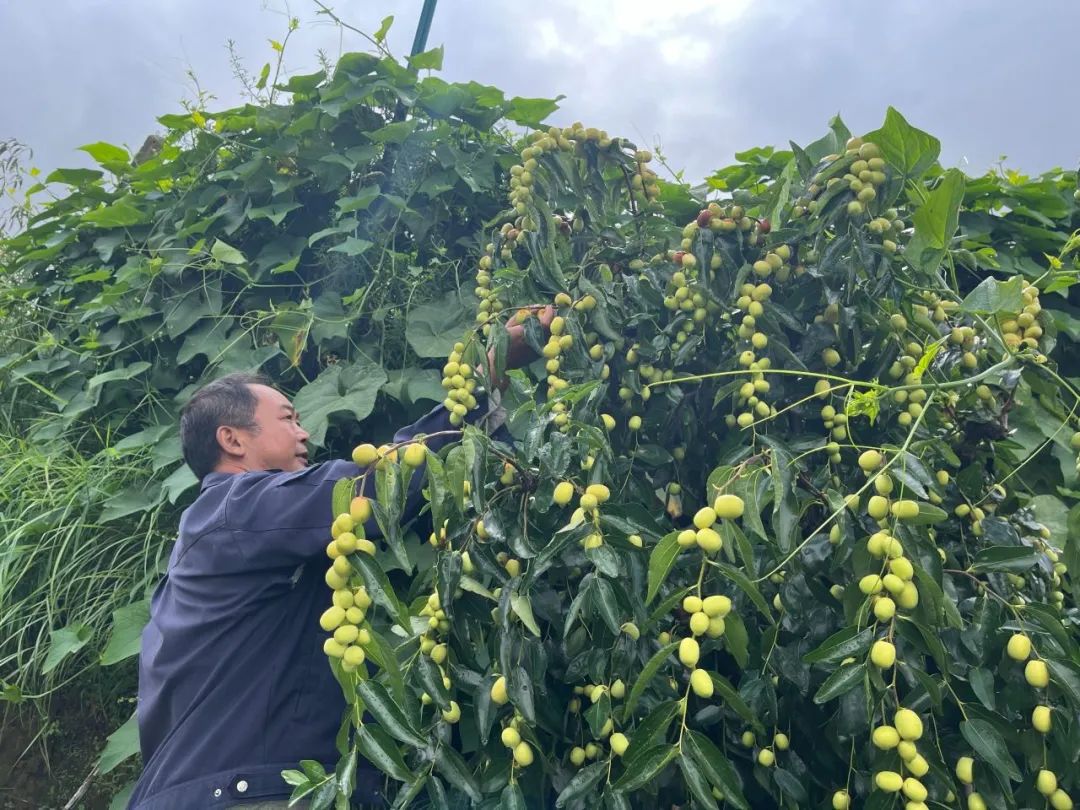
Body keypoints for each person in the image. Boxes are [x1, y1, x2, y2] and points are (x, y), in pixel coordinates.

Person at [129, 308, 553, 810]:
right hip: (245, 795)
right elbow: (375, 486)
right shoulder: (235, 509)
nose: (304, 433)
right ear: (232, 439)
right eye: (288, 418)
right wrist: (485, 372)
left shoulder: (215, 544)